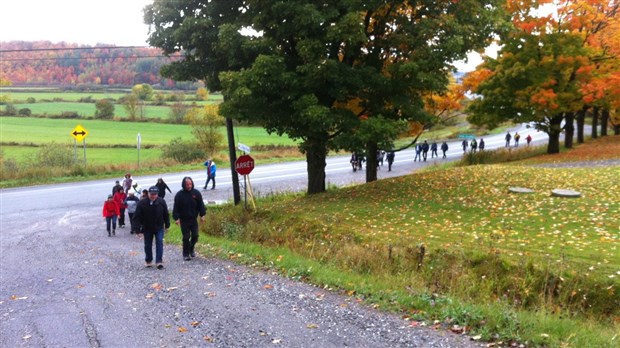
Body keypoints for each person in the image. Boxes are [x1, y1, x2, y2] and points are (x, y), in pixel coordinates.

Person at [133, 186, 170, 269]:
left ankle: (159, 261)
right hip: (147, 227)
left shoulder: (161, 202)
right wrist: (137, 230)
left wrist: (167, 225)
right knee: (148, 245)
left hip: (159, 226)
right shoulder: (142, 203)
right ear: (148, 193)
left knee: (159, 242)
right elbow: (136, 217)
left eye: (155, 194)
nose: (153, 196)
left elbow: (166, 214)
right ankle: (148, 260)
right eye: (152, 194)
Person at [173, 177, 206, 261]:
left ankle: (191, 248)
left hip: (193, 219)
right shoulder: (179, 195)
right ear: (184, 185)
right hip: (184, 220)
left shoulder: (196, 193)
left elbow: (201, 205)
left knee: (195, 236)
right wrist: (176, 218)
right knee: (186, 237)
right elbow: (176, 207)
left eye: (190, 184)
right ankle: (185, 254)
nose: (189, 186)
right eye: (187, 184)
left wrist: (202, 215)